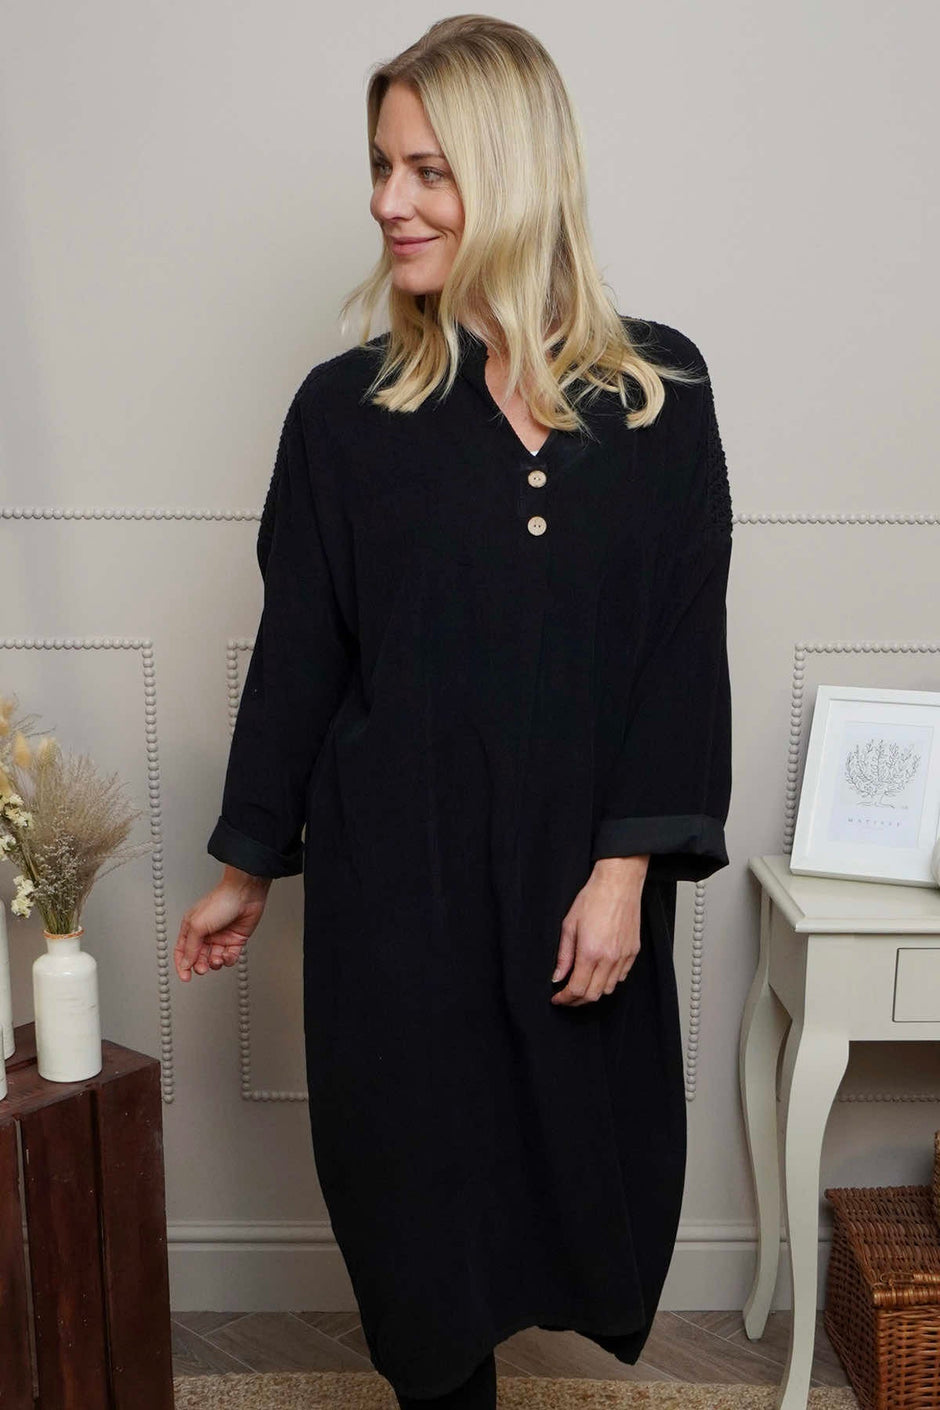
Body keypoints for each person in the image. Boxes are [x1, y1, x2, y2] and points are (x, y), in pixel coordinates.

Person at [174, 15, 734, 1410]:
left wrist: (624, 874)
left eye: (427, 170)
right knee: (418, 1225)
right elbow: (300, 653)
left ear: (516, 172)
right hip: (397, 892)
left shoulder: (661, 397)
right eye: (381, 166)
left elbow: (679, 654)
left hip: (569, 883)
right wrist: (247, 865)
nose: (388, 201)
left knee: (572, 1181)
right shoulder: (343, 414)